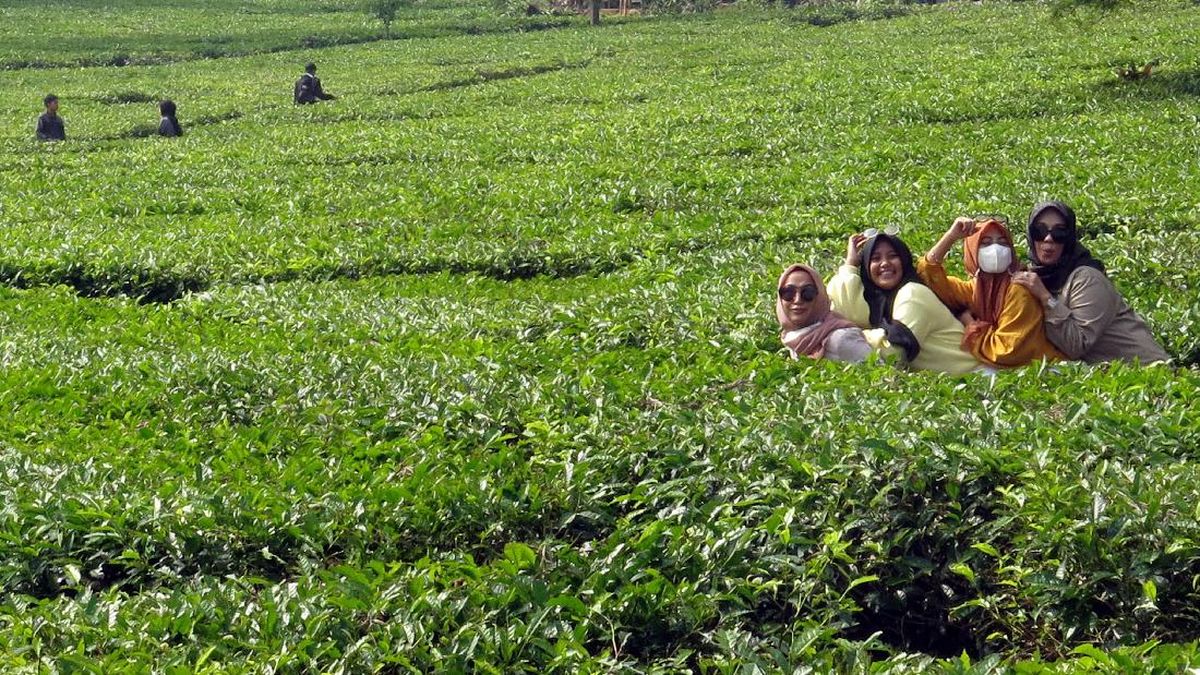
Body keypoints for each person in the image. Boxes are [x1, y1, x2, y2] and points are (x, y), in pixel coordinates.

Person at [1011, 201, 1169, 364]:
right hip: (1107, 376)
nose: (1048, 239)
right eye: (1040, 231)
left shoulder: (1087, 278)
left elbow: (1077, 344)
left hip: (1147, 374)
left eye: (1059, 233)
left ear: (1069, 238)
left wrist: (1045, 298)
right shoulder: (1037, 275)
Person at [828, 231, 984, 374]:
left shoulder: (913, 294)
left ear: (904, 260)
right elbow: (845, 307)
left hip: (977, 378)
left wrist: (855, 336)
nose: (885, 263)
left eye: (892, 256)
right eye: (875, 258)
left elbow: (895, 352)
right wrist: (850, 264)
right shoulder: (881, 303)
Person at [917, 217, 1065, 368]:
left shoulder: (1020, 289)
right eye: (985, 243)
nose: (995, 250)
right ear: (972, 252)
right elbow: (927, 277)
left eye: (1002, 242)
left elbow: (1006, 352)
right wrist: (951, 236)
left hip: (1045, 372)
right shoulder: (973, 290)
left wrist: (971, 326)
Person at [776, 264, 871, 362]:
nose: (797, 300)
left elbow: (878, 370)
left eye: (808, 292)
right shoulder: (790, 337)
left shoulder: (841, 340)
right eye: (788, 292)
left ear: (820, 297)